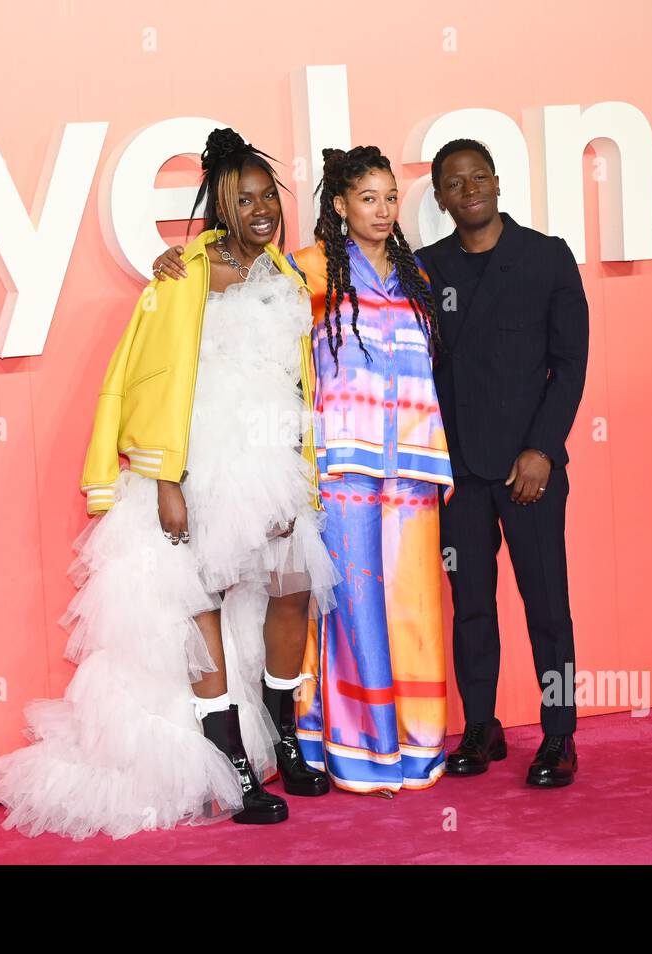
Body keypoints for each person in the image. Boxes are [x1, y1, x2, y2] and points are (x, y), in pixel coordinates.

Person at [0, 128, 338, 840]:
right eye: (243, 199)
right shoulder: (181, 278)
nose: (260, 209)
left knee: (291, 591)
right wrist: (166, 480)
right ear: (218, 207)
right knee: (201, 603)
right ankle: (234, 765)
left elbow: (294, 382)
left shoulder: (289, 276)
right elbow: (142, 379)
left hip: (272, 463)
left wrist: (298, 467)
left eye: (268, 196)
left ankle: (287, 739)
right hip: (200, 466)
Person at [152, 145, 454, 795]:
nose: (382, 209)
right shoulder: (306, 271)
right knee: (344, 610)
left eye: (390, 197)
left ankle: (414, 741)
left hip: (411, 471)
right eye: (366, 198)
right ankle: (338, 746)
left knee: (414, 606)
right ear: (340, 206)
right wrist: (178, 256)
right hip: (334, 465)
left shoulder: (420, 278)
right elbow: (229, 280)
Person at [417, 138, 589, 787]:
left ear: (496, 182)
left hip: (529, 474)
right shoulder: (427, 268)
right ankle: (482, 726)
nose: (470, 191)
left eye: (478, 177)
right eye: (454, 184)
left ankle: (560, 734)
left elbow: (569, 364)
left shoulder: (545, 258)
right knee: (470, 608)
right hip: (458, 475)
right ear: (440, 198)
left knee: (548, 608)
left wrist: (543, 449)